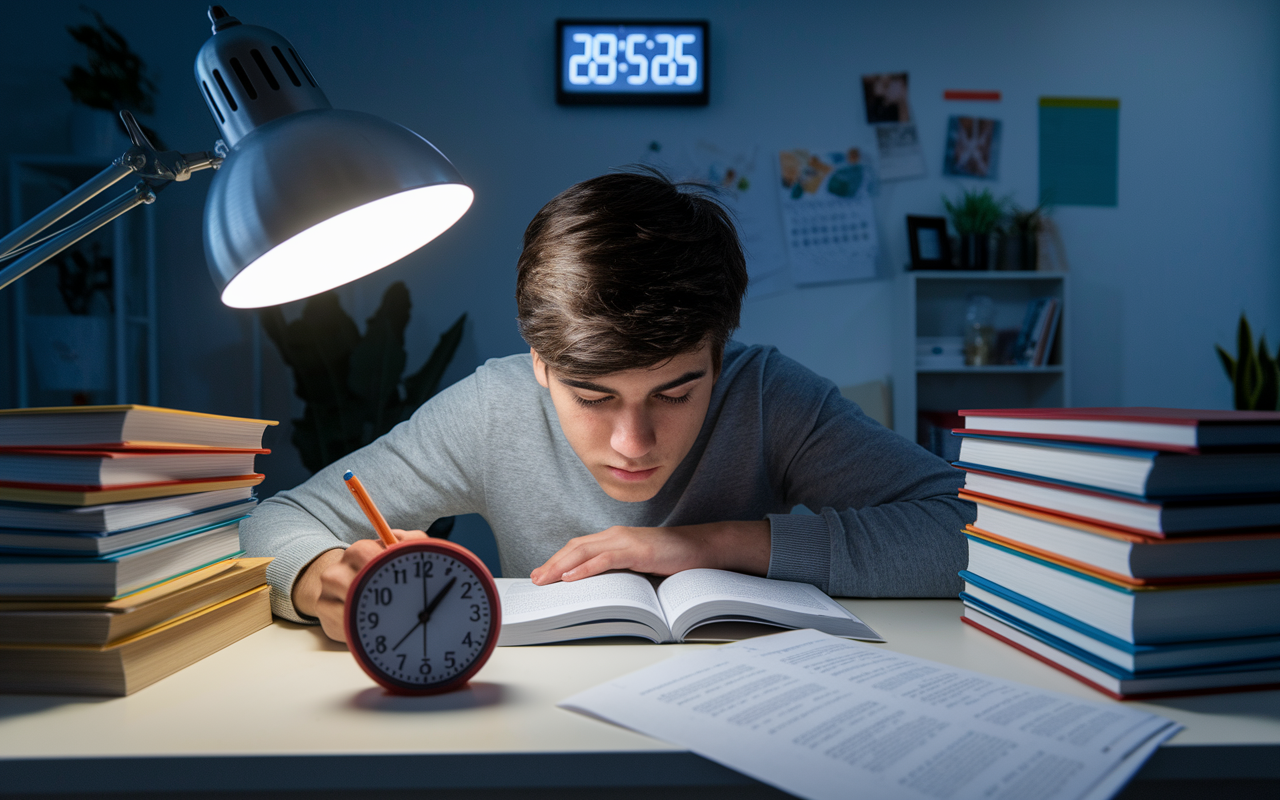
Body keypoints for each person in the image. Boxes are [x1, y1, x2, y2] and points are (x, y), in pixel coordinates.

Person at [240, 169, 974, 642]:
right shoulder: (495, 408)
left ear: (720, 354)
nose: (633, 441)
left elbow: (969, 532)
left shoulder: (766, 395)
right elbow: (277, 520)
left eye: (676, 392)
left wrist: (706, 546)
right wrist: (317, 578)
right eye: (593, 397)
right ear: (539, 362)